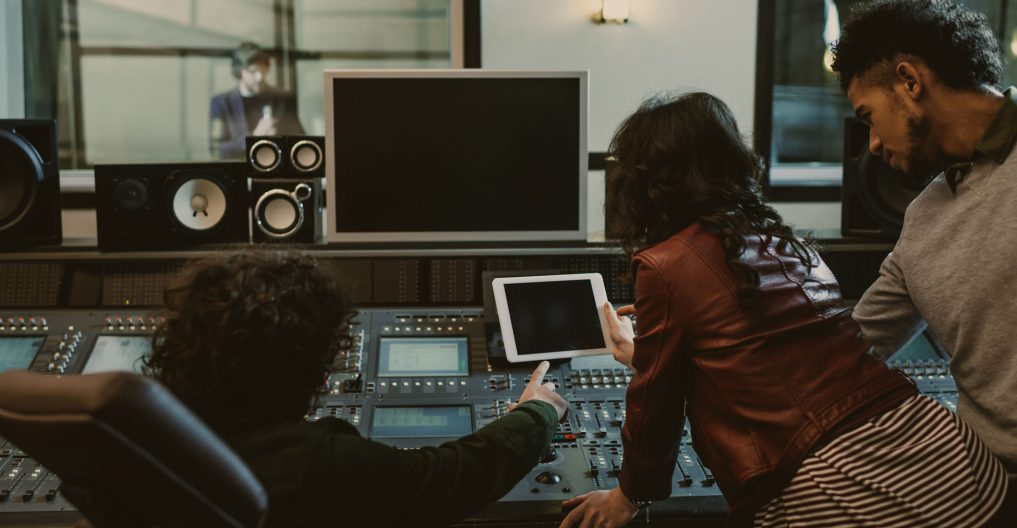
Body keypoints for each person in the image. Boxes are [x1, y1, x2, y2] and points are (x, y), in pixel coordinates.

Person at [558, 92, 1006, 528]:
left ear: (646, 181)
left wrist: (628, 496)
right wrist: (650, 351)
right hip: (956, 464)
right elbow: (775, 358)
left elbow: (657, 404)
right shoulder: (789, 244)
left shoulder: (664, 264)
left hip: (847, 491)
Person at [143, 250, 569, 528]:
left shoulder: (141, 438)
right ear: (299, 365)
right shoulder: (315, 464)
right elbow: (452, 475)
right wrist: (538, 411)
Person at [831, 0, 1016, 522]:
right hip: (986, 490)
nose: (870, 142)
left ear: (909, 81)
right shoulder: (923, 217)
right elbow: (846, 352)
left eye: (868, 116)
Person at [209, 42, 305, 160]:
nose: (259, 77)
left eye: (263, 70)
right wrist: (254, 136)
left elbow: (300, 140)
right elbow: (217, 150)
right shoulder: (221, 103)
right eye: (252, 71)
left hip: (277, 169)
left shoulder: (283, 98)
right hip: (240, 172)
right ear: (239, 71)